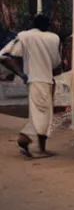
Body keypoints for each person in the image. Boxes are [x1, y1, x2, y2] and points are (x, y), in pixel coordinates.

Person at [0, 13, 62, 158]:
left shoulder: (24, 36)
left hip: (34, 79)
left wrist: (21, 73)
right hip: (46, 79)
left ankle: (40, 147)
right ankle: (26, 137)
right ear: (48, 25)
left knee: (41, 113)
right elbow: (56, 63)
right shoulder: (53, 38)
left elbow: (5, 56)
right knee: (44, 114)